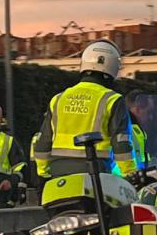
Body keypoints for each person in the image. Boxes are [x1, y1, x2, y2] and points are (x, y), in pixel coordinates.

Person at [33, 40, 136, 179]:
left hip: (58, 172)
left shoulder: (58, 99)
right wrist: (130, 174)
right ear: (112, 67)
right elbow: (121, 141)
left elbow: (43, 139)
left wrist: (43, 171)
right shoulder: (113, 100)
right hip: (96, 173)